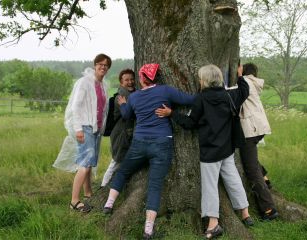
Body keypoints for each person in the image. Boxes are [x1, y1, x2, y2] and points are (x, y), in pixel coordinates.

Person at [156, 64, 254, 239]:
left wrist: (172, 114)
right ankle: (245, 213)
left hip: (210, 151)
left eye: (200, 78)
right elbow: (245, 90)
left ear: (205, 81)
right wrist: (240, 76)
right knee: (233, 179)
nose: (199, 81)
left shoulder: (201, 99)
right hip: (227, 148)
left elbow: (189, 123)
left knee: (210, 187)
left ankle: (213, 224)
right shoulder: (229, 95)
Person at [103, 63, 195, 239]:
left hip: (140, 142)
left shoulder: (135, 97)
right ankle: (148, 230)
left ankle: (109, 204)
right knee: (155, 185)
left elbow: (126, 115)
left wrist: (123, 104)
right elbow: (190, 100)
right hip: (162, 143)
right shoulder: (166, 91)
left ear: (142, 78)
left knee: (123, 171)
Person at [59, 53, 111, 213]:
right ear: (95, 65)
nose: (103, 67)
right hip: (85, 127)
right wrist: (78, 129)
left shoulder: (102, 85)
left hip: (96, 129)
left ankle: (88, 194)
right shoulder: (84, 83)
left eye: (106, 65)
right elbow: (75, 107)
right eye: (100, 64)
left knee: (90, 163)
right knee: (85, 164)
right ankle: (74, 201)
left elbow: (102, 110)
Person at [238, 63, 278, 220]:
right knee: (251, 160)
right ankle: (266, 178)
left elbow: (233, 92)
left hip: (251, 130)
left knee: (252, 170)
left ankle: (269, 209)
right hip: (257, 128)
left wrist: (239, 76)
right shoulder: (252, 83)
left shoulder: (246, 82)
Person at [100, 69, 136, 187]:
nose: (130, 82)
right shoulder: (122, 97)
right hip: (121, 134)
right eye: (126, 80)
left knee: (122, 161)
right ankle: (103, 186)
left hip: (127, 133)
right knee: (116, 162)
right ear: (121, 83)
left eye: (131, 79)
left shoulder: (131, 94)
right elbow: (129, 114)